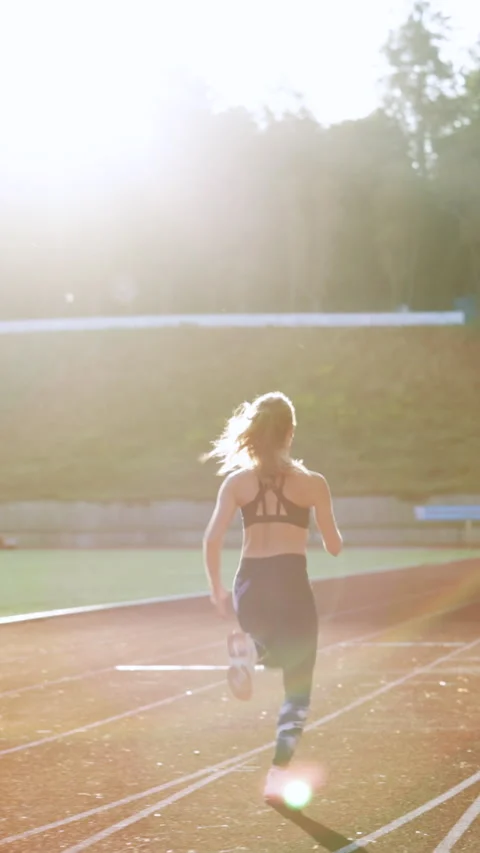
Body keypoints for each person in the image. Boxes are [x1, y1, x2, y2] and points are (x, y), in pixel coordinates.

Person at [202, 391, 342, 801]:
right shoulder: (312, 483)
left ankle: (253, 648)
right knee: (298, 685)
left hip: (249, 582)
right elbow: (334, 546)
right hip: (290, 581)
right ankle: (277, 774)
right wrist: (327, 529)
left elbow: (212, 539)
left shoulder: (237, 482)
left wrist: (216, 588)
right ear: (290, 433)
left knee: (269, 649)